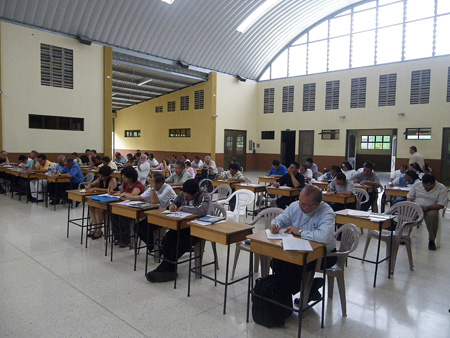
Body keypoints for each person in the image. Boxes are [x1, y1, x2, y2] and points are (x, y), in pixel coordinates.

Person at [269, 185, 337, 302]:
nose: (300, 206)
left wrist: (300, 232)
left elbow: (324, 237)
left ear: (317, 205)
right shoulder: (296, 206)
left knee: (293, 267)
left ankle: (296, 293)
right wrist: (275, 225)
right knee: (276, 262)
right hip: (298, 248)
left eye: (305, 204)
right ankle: (293, 292)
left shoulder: (327, 213)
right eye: (300, 202)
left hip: (324, 254)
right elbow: (280, 219)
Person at [146, 179, 212, 283]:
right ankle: (169, 270)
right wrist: (172, 205)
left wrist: (184, 208)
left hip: (200, 228)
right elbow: (173, 200)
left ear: (196, 193)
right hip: (184, 226)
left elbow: (202, 210)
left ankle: (163, 268)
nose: (185, 197)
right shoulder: (183, 193)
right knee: (169, 237)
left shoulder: (205, 195)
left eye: (188, 197)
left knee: (181, 243)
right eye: (184, 195)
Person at [129, 173, 177, 246]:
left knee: (144, 228)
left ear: (161, 183)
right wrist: (127, 197)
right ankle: (152, 246)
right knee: (137, 227)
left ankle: (154, 246)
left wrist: (153, 187)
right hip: (155, 214)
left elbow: (155, 202)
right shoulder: (152, 187)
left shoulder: (167, 188)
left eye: (154, 184)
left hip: (166, 216)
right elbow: (141, 197)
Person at [407, 174, 448, 250]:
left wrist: (427, 207)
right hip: (417, 207)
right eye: (424, 185)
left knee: (433, 216)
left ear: (433, 183)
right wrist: (412, 204)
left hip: (431, 208)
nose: (426, 188)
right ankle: (404, 236)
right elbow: (409, 197)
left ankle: (431, 240)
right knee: (407, 213)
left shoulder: (441, 188)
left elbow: (441, 205)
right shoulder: (417, 185)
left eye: (428, 186)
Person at [111, 167, 146, 247]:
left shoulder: (138, 185)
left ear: (131, 178)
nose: (123, 179)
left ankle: (125, 240)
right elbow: (121, 192)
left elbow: (132, 195)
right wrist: (114, 192)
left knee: (122, 217)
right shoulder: (126, 184)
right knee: (113, 214)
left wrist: (123, 195)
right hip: (125, 205)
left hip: (135, 208)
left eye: (125, 178)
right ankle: (117, 236)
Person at [85, 165, 118, 239]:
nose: (101, 178)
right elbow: (92, 184)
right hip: (102, 200)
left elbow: (109, 190)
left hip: (111, 201)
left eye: (103, 176)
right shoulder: (100, 179)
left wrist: (96, 189)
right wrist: (89, 186)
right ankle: (95, 228)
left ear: (107, 175)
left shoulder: (112, 180)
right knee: (91, 208)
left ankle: (99, 230)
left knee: (98, 210)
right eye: (100, 176)